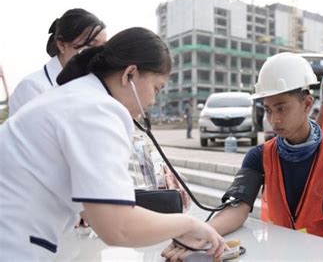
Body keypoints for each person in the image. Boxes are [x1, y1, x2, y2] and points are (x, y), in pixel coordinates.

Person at [0, 27, 225, 261]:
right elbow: (118, 226)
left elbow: (97, 209)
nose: (152, 101)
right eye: (156, 88)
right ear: (129, 74)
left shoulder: (76, 96)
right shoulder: (100, 110)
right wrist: (187, 224)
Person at [162, 52, 323, 261]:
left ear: (307, 104)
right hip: (275, 254)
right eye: (268, 110)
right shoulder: (260, 156)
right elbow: (238, 209)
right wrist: (202, 235)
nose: (274, 120)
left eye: (281, 108)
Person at [8, 8, 107, 115]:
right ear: (62, 45)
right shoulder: (33, 87)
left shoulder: (96, 85)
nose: (99, 53)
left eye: (103, 47)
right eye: (91, 45)